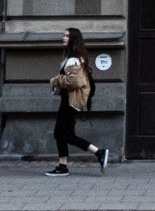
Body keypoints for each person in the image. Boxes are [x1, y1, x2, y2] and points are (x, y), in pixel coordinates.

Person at [44, 26, 110, 175]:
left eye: (67, 36)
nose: (64, 38)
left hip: (71, 101)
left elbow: (74, 81)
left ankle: (99, 152)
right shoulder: (72, 57)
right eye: (64, 35)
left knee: (67, 134)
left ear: (73, 39)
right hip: (68, 100)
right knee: (59, 133)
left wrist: (56, 80)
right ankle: (62, 165)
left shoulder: (73, 59)